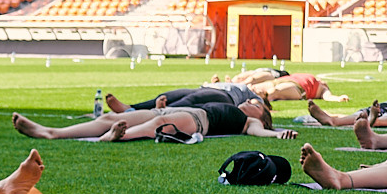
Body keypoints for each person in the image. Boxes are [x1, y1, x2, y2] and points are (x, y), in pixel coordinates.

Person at [13, 102, 287, 143]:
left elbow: (259, 132)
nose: (250, 101)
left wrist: (277, 135)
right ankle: (51, 132)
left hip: (197, 120)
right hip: (185, 109)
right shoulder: (241, 109)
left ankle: (116, 137)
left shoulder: (249, 121)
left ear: (261, 114)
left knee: (162, 121)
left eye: (257, 103)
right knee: (111, 117)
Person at [103, 87, 272, 125]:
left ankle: (156, 110)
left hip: (225, 98)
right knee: (171, 95)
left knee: (188, 103)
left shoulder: (249, 96)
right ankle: (131, 108)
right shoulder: (244, 86)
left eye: (256, 105)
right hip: (210, 89)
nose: (250, 102)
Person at [232, 69, 329, 102]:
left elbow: (328, 95)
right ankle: (231, 89)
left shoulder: (321, 88)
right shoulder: (310, 77)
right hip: (281, 79)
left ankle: (258, 100)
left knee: (274, 92)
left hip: (297, 88)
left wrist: (338, 98)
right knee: (253, 87)